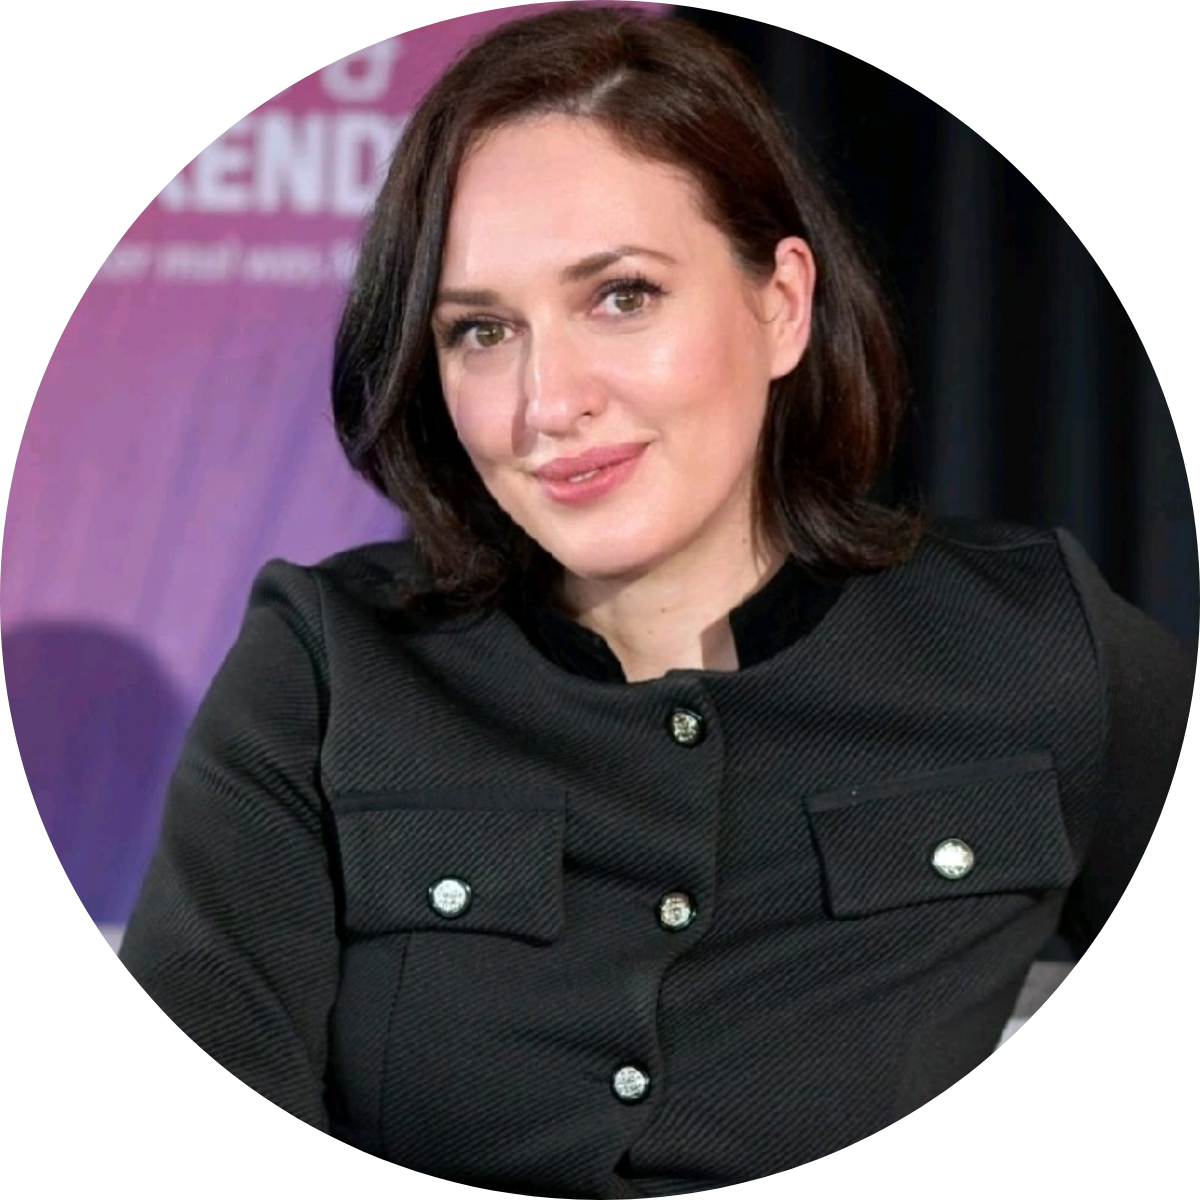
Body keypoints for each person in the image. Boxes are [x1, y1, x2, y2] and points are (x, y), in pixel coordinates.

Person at [118, 7, 1192, 1195]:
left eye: (621, 297)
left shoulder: (1032, 645)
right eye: (481, 330)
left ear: (781, 305)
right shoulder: (328, 666)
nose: (547, 401)